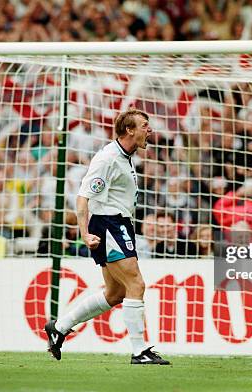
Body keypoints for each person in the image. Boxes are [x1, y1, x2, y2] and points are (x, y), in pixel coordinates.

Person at [44, 108, 170, 365]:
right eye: (145, 125)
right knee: (137, 285)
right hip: (108, 225)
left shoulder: (125, 156)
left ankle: (60, 326)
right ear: (129, 130)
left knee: (114, 293)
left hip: (118, 223)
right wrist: (85, 234)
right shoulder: (108, 159)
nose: (150, 130)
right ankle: (139, 351)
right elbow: (82, 198)